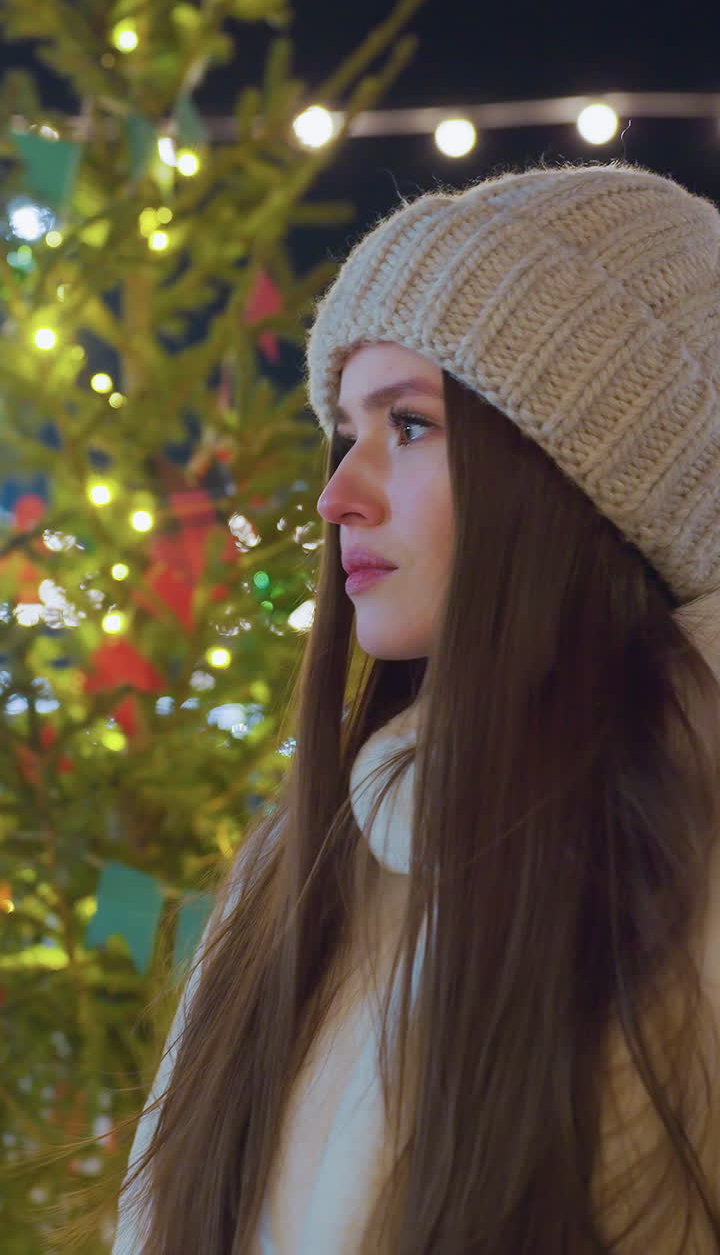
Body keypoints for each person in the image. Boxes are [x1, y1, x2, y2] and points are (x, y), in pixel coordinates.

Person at [110, 159, 720, 1253]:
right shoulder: (300, 863)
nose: (338, 493)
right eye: (346, 431)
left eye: (410, 424)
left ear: (589, 478)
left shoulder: (678, 875)